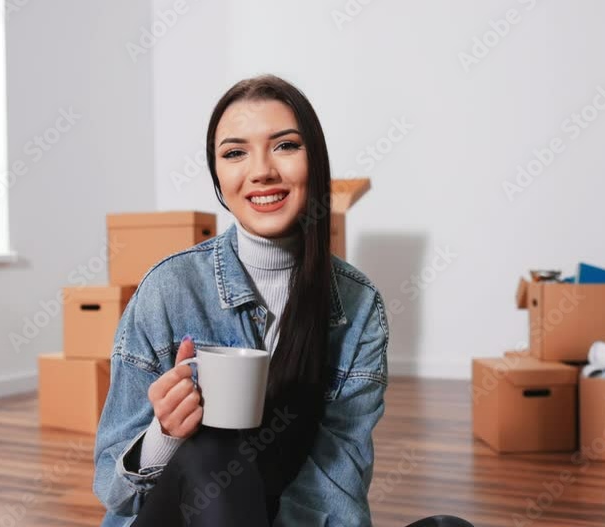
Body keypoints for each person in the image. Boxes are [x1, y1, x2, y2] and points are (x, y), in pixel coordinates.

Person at [93, 75, 472, 527]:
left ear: (316, 161)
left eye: (285, 146)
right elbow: (112, 490)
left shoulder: (357, 304)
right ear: (217, 175)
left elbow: (336, 482)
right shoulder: (170, 289)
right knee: (214, 453)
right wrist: (165, 434)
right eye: (235, 153)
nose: (261, 172)